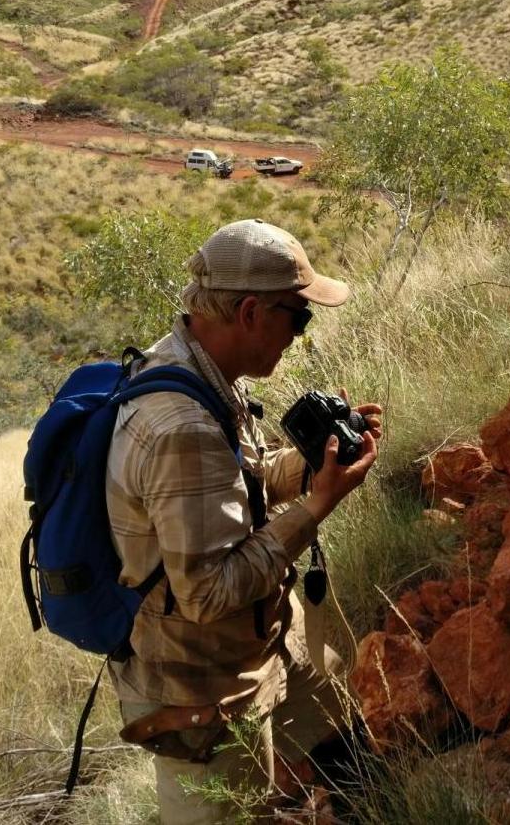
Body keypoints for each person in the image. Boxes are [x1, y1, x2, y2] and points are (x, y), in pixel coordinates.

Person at [105, 218, 381, 823]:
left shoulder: (196, 369)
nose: (299, 335)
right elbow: (208, 592)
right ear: (252, 312)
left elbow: (232, 486)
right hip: (202, 689)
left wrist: (316, 465)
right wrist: (317, 507)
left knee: (351, 759)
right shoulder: (181, 425)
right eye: (297, 317)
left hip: (265, 641)